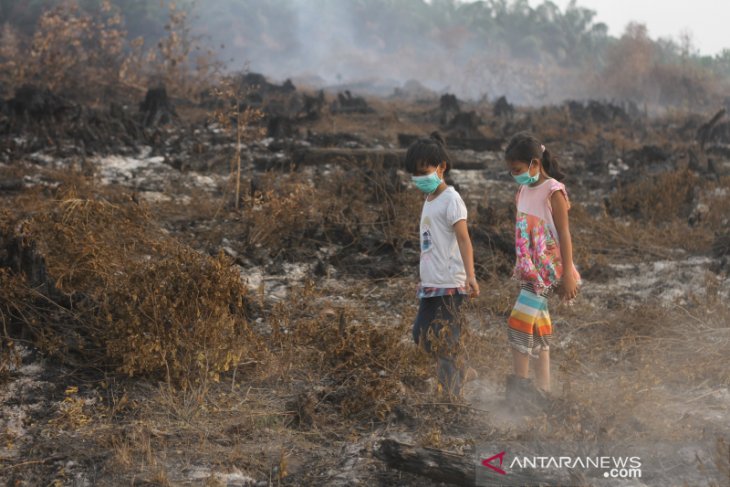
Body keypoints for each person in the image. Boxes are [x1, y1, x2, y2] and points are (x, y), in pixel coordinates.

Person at [503, 132, 580, 405]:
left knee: (519, 321)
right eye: (512, 171)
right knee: (536, 325)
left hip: (548, 269)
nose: (515, 175)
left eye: (518, 170)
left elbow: (564, 233)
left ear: (535, 163)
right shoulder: (523, 190)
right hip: (530, 269)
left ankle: (519, 392)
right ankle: (545, 393)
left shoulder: (553, 191)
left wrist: (568, 274)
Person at [405, 132, 480, 396]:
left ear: (441, 167)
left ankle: (450, 395)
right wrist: (423, 275)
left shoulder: (451, 200)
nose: (420, 179)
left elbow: (463, 239)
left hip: (451, 283)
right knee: (421, 334)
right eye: (416, 174)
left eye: (424, 172)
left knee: (446, 339)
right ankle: (462, 370)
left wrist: (470, 275)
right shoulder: (429, 200)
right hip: (430, 284)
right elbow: (430, 244)